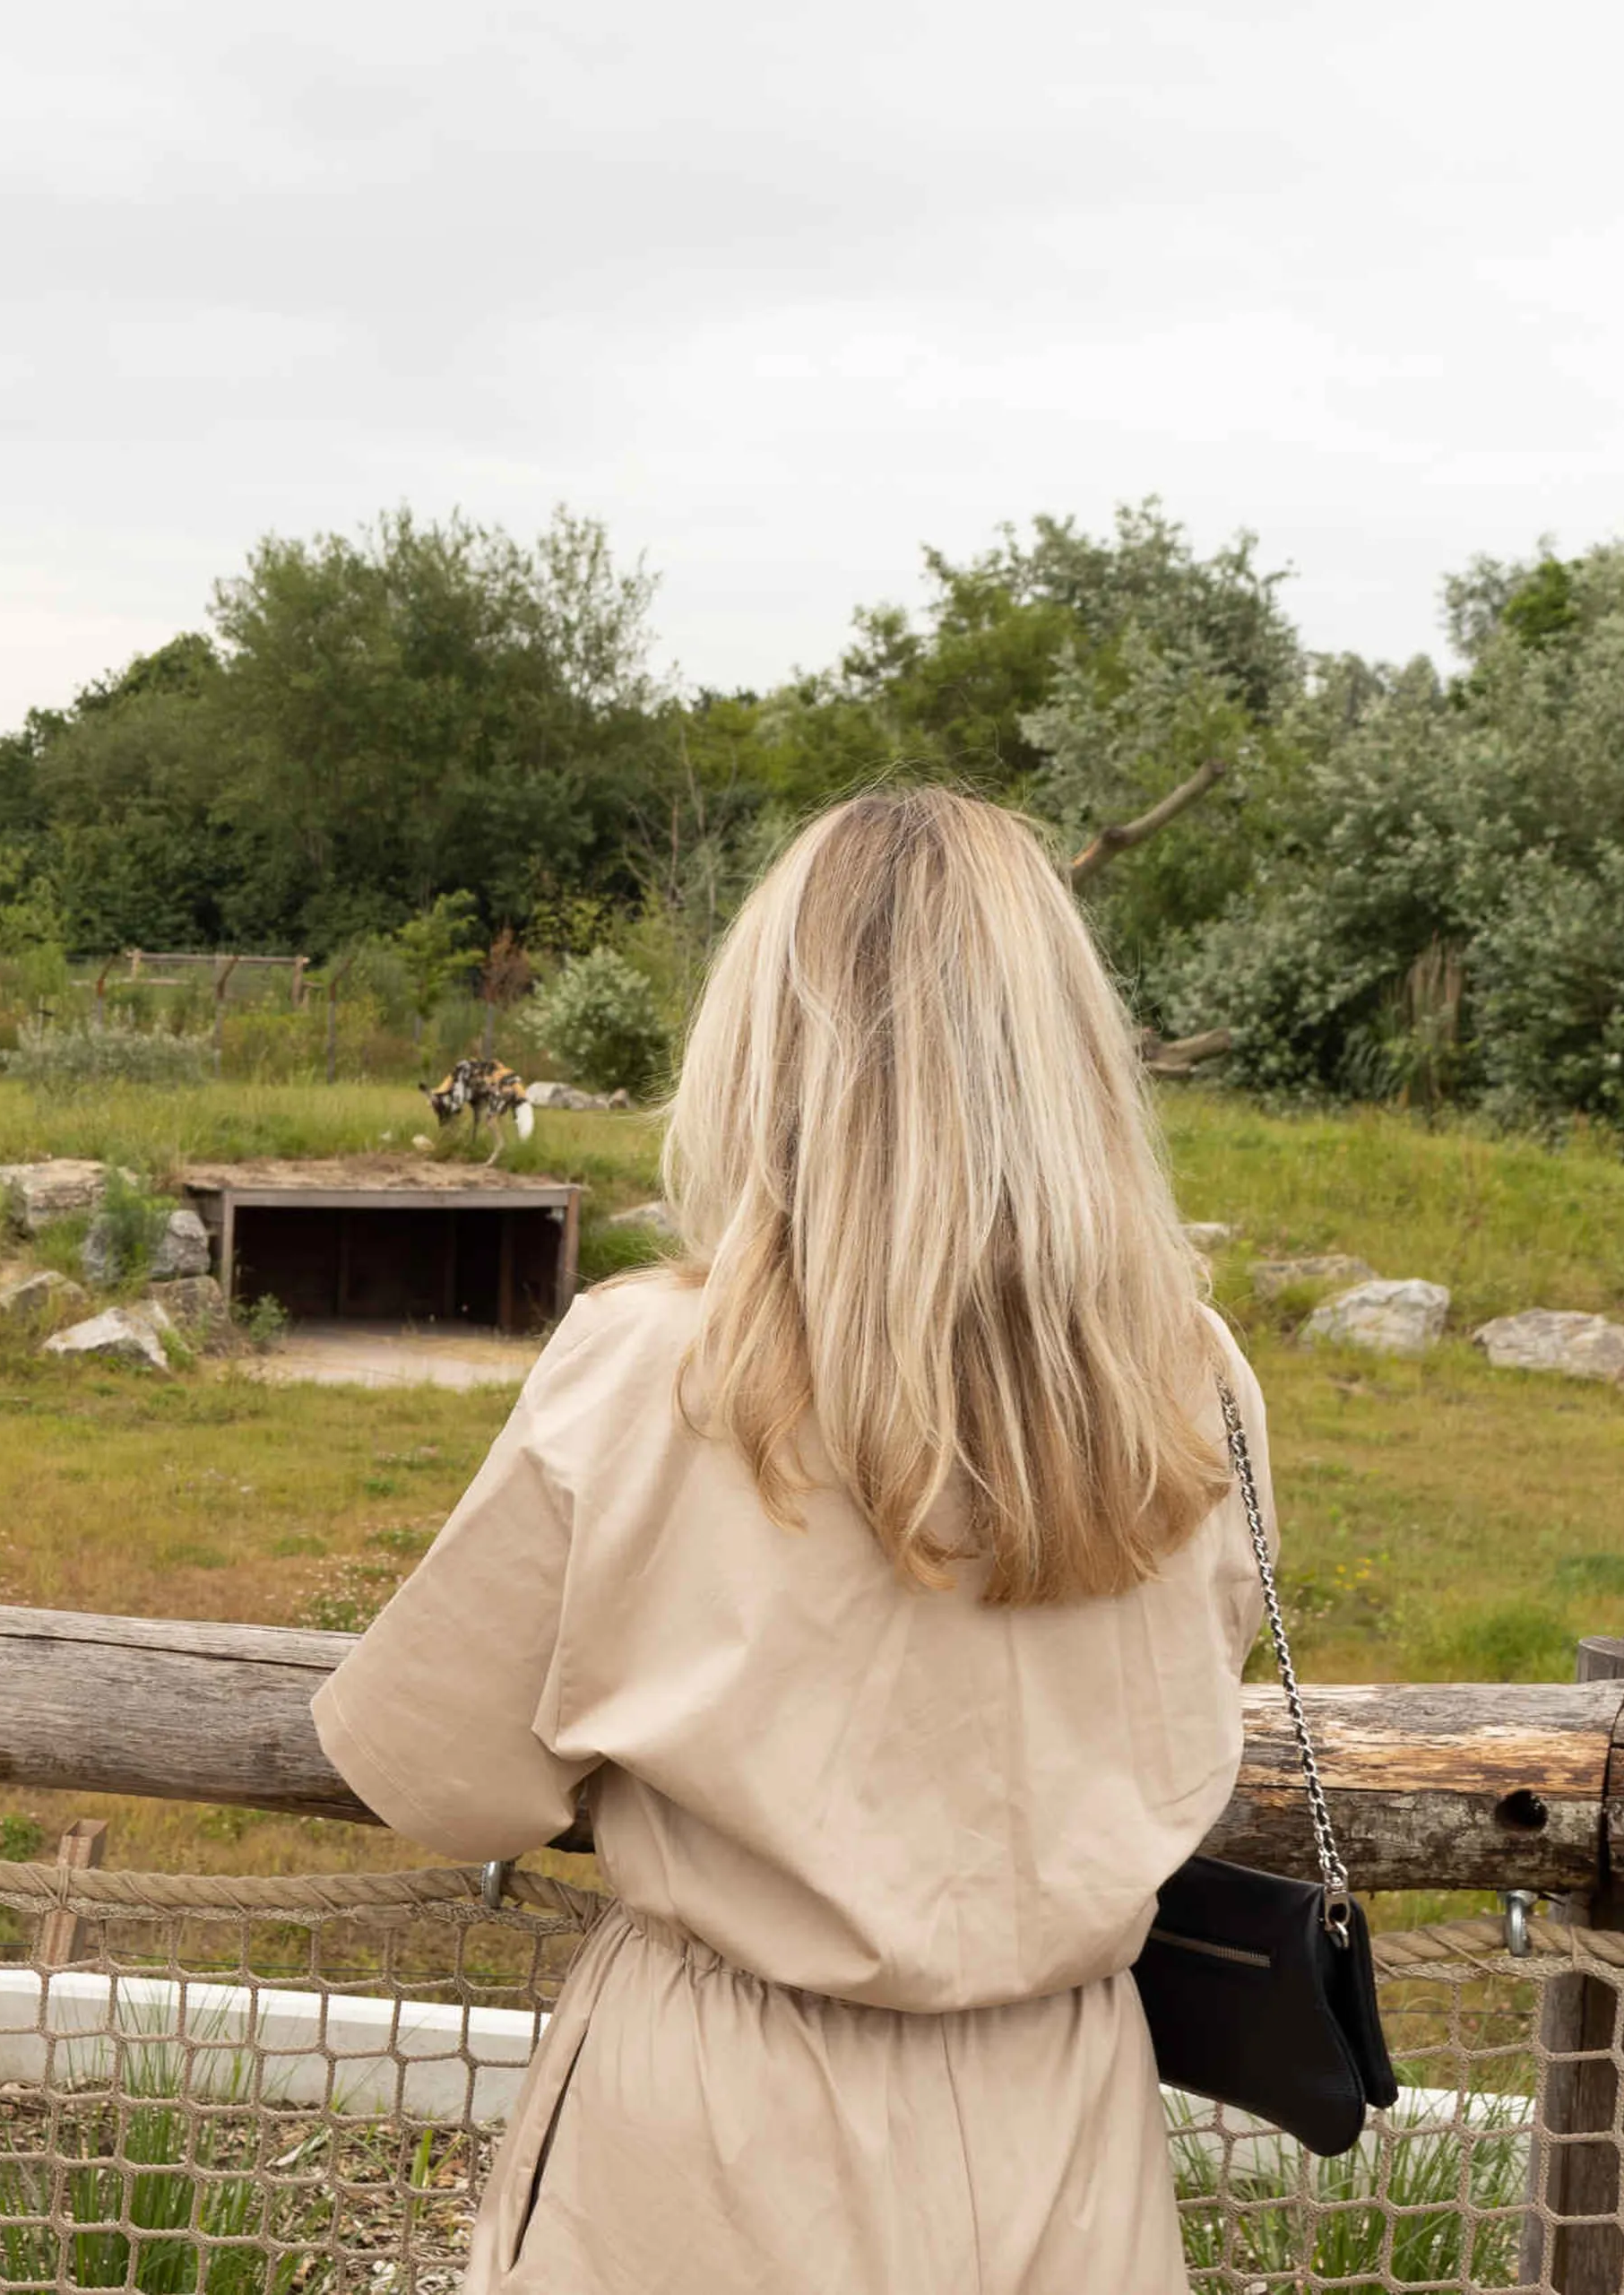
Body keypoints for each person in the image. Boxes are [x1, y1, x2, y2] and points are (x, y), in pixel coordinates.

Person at [313, 787, 1266, 2293]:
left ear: (769, 1043)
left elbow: (438, 1770)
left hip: (718, 2127)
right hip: (1068, 2106)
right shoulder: (1188, 1383)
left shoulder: (655, 1370)